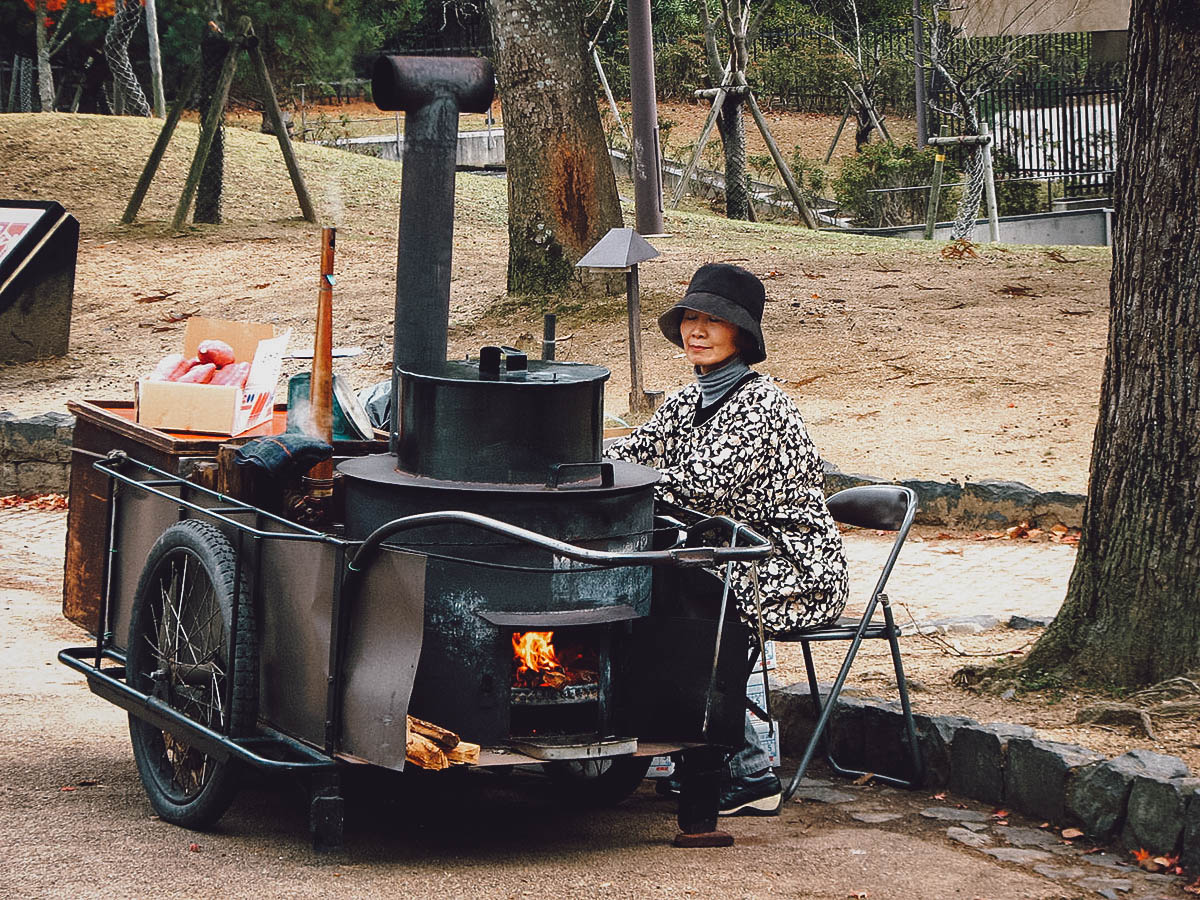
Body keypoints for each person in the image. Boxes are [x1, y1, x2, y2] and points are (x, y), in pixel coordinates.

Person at [605, 262, 849, 834]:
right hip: (721, 556)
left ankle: (749, 769)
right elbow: (634, 455)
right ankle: (681, 744)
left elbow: (701, 485)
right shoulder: (683, 404)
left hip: (786, 563)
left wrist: (628, 477)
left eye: (713, 321)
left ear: (742, 335)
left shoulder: (765, 406)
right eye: (691, 318)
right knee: (650, 580)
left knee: (695, 596)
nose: (697, 330)